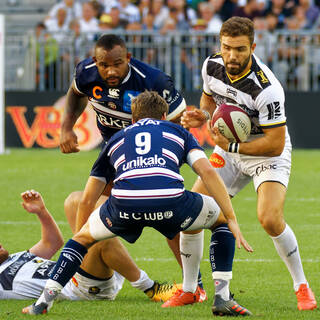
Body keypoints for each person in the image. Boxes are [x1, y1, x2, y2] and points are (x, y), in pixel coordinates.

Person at [22, 91, 253, 316]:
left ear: (132, 119)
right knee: (218, 221)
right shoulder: (178, 131)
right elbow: (207, 172)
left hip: (124, 206)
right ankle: (222, 297)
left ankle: (42, 302)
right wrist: (231, 218)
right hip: (171, 202)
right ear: (164, 117)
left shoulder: (116, 139)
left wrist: (83, 237)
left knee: (80, 240)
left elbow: (88, 197)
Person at [181, 16, 317, 311]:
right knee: (191, 214)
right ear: (220, 44)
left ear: (253, 47)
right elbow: (208, 101)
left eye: (240, 49)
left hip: (266, 154)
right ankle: (191, 289)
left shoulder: (267, 89)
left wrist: (229, 144)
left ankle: (302, 285)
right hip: (229, 153)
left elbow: (275, 143)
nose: (232, 55)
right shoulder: (211, 66)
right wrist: (202, 116)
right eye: (227, 47)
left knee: (269, 219)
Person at [58, 34, 202, 297]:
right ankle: (84, 269)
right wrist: (67, 127)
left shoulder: (154, 81)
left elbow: (180, 121)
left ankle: (195, 284)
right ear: (95, 62)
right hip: (114, 154)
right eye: (104, 65)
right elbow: (76, 93)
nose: (110, 71)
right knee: (82, 206)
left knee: (169, 219)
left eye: (117, 64)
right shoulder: (86, 73)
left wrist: (192, 120)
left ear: (128, 58)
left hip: (151, 157)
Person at [0, 190, 179, 302]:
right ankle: (150, 287)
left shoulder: (15, 257)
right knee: (99, 236)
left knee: (75, 201)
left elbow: (52, 243)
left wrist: (41, 212)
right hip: (79, 289)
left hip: (83, 270)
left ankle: (139, 209)